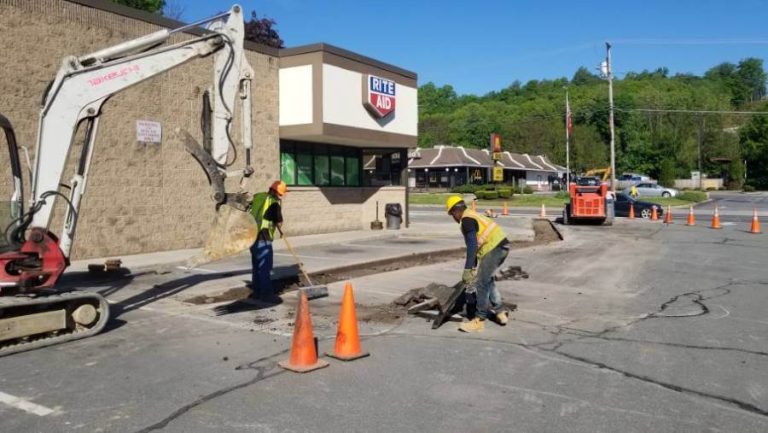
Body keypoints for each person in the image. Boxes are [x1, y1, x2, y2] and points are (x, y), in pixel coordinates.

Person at [446, 195, 511, 333]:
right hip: (502, 245)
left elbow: (472, 245)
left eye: (452, 214)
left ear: (455, 211)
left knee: (481, 282)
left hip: (495, 248)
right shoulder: (471, 215)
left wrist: (468, 268)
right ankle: (500, 311)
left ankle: (479, 320)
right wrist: (473, 266)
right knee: (487, 279)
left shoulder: (466, 220)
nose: (453, 218)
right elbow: (476, 245)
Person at [249, 180, 287, 301]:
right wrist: (279, 227)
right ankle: (266, 295)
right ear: (278, 193)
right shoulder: (273, 203)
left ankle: (257, 293)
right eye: (282, 193)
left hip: (252, 238)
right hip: (263, 240)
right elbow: (279, 221)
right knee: (265, 268)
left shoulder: (258, 197)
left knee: (256, 267)